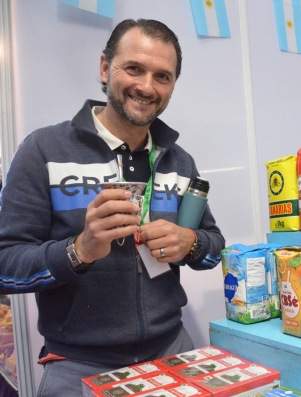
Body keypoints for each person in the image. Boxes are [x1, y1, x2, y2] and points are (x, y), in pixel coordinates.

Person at [0, 19, 225, 396]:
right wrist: (79, 250)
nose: (147, 86)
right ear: (105, 68)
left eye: (163, 76)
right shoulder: (43, 150)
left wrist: (191, 243)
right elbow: (6, 266)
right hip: (78, 367)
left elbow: (213, 247)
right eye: (133, 68)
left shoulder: (179, 161)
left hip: (172, 351)